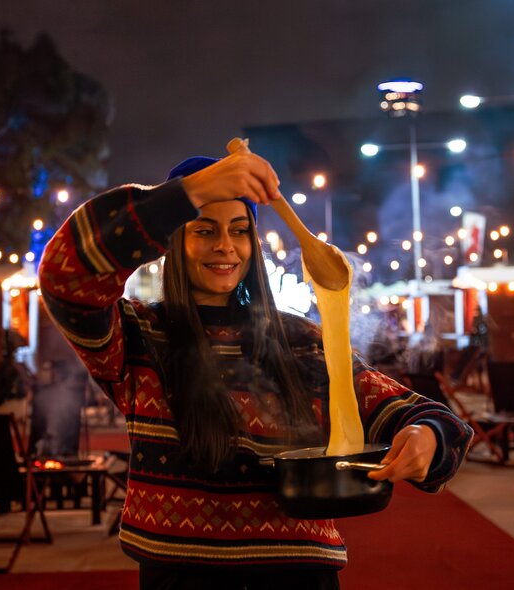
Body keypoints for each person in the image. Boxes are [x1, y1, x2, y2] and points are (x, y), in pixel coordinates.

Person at [39, 145, 474, 589]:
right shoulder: (138, 337)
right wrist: (188, 192)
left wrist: (426, 437)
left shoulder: (301, 341)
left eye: (240, 230)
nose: (225, 245)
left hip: (299, 576)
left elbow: (426, 415)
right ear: (173, 243)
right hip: (179, 578)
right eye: (204, 230)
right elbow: (65, 275)